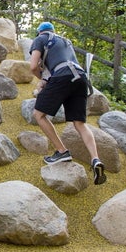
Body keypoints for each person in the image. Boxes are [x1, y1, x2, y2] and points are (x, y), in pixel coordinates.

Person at [29, 21, 107, 185]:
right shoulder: (64, 42)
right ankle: (95, 159)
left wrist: (41, 78)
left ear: (39, 33)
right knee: (79, 123)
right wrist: (47, 80)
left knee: (39, 114)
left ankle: (62, 151)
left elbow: (33, 66)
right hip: (80, 78)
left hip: (62, 76)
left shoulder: (40, 39)